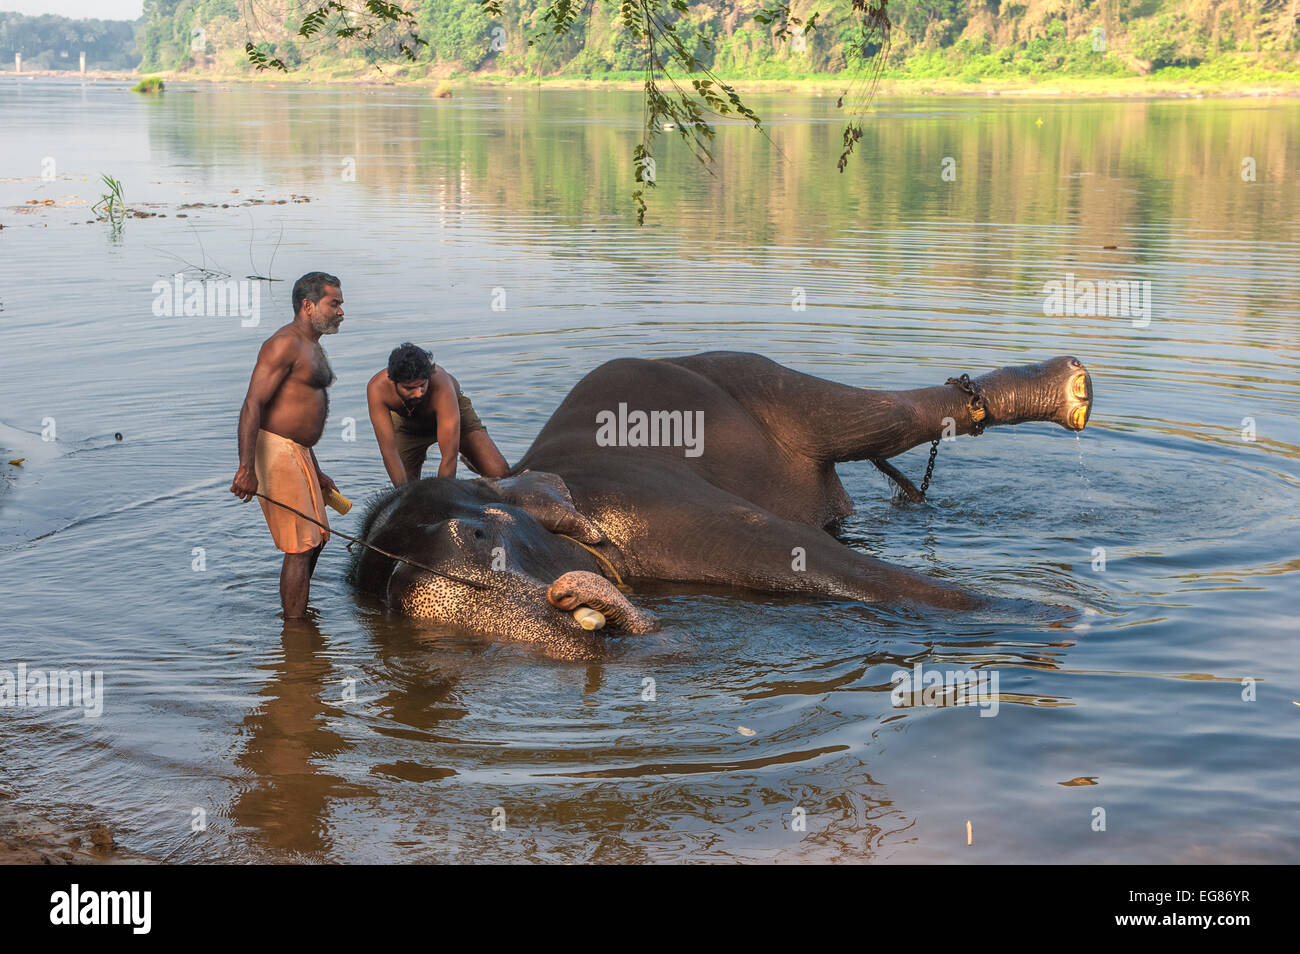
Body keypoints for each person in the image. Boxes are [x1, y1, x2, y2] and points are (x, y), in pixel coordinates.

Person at [229, 271, 344, 617]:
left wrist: (317, 471)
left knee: (318, 537)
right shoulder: (284, 344)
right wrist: (246, 468)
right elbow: (253, 404)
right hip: (276, 451)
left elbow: (296, 409)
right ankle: (294, 632)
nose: (341, 311)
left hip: (299, 452)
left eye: (340, 304)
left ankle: (298, 612)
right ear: (308, 306)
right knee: (300, 546)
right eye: (334, 303)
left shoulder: (312, 345)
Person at [366, 342, 509, 485]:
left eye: (422, 385)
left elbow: (449, 457)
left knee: (501, 476)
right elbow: (389, 453)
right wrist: (405, 496)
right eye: (409, 388)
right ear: (393, 381)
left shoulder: (442, 385)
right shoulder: (377, 389)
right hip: (407, 424)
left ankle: (471, 458)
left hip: (453, 415)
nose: (418, 393)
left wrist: (442, 499)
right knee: (407, 488)